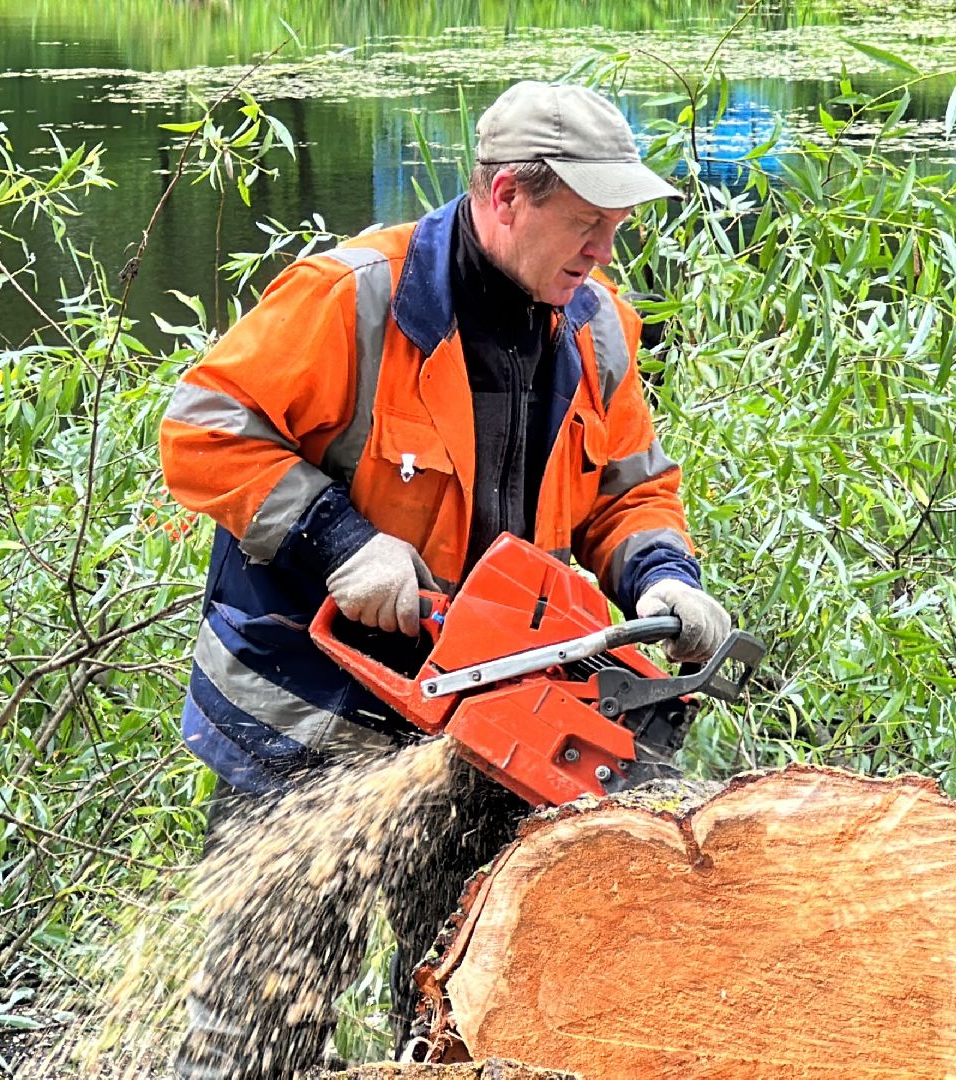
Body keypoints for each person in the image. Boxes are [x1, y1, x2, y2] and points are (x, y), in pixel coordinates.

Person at [156, 80, 734, 1079]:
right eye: (587, 224)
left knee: (457, 1010)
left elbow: (629, 490)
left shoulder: (595, 327)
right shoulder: (356, 298)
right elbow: (204, 425)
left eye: (617, 227)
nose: (604, 249)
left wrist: (662, 575)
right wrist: (343, 539)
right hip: (308, 714)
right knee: (260, 1023)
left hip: (476, 721)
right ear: (509, 195)